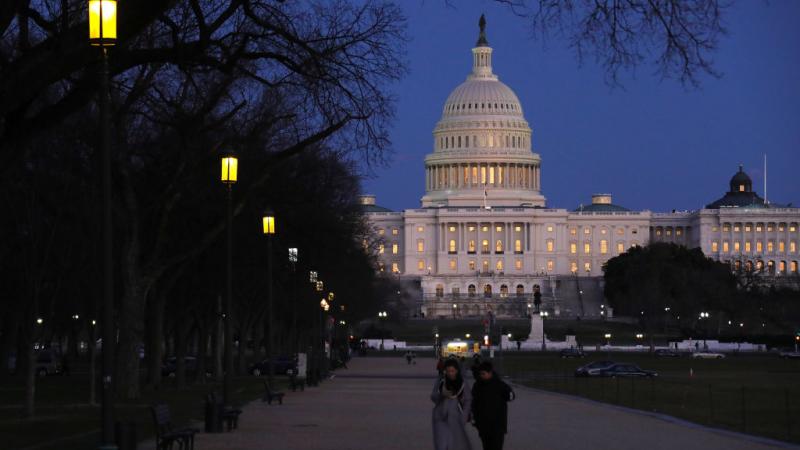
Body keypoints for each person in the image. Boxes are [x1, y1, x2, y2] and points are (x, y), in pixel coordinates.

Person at [471, 361, 515, 450]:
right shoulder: (477, 385)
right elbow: (474, 403)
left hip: (497, 426)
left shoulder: (500, 385)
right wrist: (474, 418)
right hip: (483, 426)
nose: (481, 376)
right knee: (486, 447)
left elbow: (511, 396)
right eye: (480, 374)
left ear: (490, 373)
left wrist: (510, 394)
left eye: (483, 374)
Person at [431, 359, 473, 450]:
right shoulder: (441, 381)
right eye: (448, 371)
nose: (450, 373)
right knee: (442, 444)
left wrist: (463, 418)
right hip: (441, 418)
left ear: (457, 371)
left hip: (456, 418)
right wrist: (442, 395)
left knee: (457, 444)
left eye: (452, 371)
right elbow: (433, 396)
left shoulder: (463, 383)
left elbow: (468, 400)